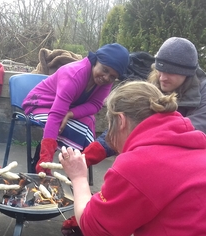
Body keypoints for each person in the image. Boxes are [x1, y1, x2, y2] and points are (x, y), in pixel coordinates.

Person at [59, 80, 206, 236]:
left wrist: (78, 177)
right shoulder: (196, 144)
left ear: (120, 120)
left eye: (109, 124)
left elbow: (92, 226)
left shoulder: (138, 163)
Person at [81, 37, 206, 168]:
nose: (162, 78)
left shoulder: (203, 93)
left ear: (187, 73)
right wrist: (88, 156)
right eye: (160, 70)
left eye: (170, 73)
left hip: (189, 166)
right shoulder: (155, 84)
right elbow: (124, 123)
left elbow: (193, 133)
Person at [21, 43, 130, 174]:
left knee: (88, 124)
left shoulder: (105, 81)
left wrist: (70, 114)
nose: (106, 77)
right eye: (105, 70)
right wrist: (45, 162)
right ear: (95, 61)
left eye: (112, 76)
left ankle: (77, 170)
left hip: (68, 107)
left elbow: (95, 105)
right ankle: (41, 163)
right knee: (64, 125)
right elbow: (55, 115)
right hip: (40, 103)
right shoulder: (73, 75)